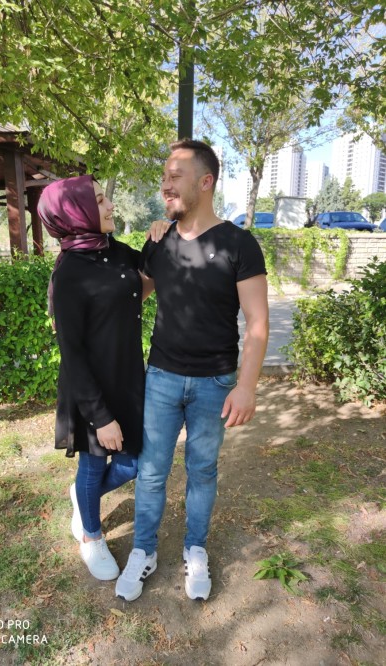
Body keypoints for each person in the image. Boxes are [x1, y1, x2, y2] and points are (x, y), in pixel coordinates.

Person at [115, 139, 269, 602]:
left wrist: (246, 387)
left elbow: (257, 322)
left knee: (202, 470)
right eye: (164, 176)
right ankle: (143, 550)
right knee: (151, 472)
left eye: (176, 175)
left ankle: (195, 548)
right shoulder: (159, 241)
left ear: (206, 182)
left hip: (215, 382)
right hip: (161, 377)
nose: (166, 184)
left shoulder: (239, 244)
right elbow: (134, 296)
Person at [38, 175, 166, 582]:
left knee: (132, 463)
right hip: (89, 388)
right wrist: (100, 417)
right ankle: (90, 536)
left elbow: (144, 282)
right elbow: (73, 355)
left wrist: (158, 237)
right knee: (94, 464)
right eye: (98, 200)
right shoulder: (69, 274)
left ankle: (82, 496)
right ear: (75, 213)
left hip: (127, 377)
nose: (110, 205)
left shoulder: (115, 250)